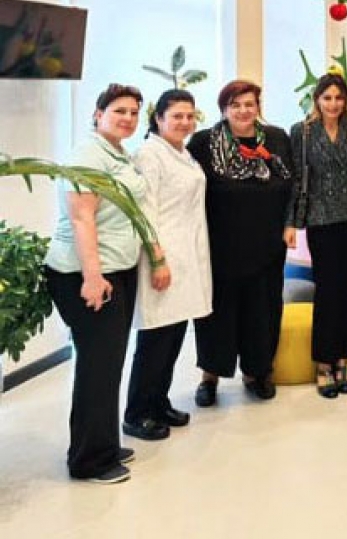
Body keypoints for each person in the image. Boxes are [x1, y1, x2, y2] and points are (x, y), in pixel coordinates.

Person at [44, 84, 148, 484]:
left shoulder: (117, 152)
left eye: (133, 112)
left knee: (108, 363)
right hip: (85, 273)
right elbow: (81, 218)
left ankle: (103, 443)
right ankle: (89, 460)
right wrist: (92, 276)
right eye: (119, 110)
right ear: (98, 113)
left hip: (116, 269)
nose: (128, 118)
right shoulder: (87, 155)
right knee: (97, 365)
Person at [187, 80, 293, 406]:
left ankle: (257, 372)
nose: (244, 110)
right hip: (220, 246)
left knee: (262, 312)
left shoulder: (276, 139)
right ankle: (210, 377)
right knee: (216, 315)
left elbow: (292, 184)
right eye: (235, 105)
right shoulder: (204, 142)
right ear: (224, 109)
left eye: (249, 104)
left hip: (267, 245)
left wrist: (290, 224)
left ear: (258, 106)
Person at [124, 89, 212, 439]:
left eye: (190, 116)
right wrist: (157, 260)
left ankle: (158, 402)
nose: (185, 122)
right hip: (162, 256)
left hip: (186, 254)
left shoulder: (182, 153)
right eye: (177, 116)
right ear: (158, 119)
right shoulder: (149, 154)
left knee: (174, 334)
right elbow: (144, 212)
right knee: (155, 338)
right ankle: (136, 413)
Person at [288, 73, 347, 399]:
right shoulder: (302, 132)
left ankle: (343, 359)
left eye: (339, 98)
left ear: (346, 100)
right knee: (327, 292)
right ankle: (323, 363)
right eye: (327, 97)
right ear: (317, 99)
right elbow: (295, 179)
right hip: (320, 220)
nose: (333, 104)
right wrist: (291, 222)